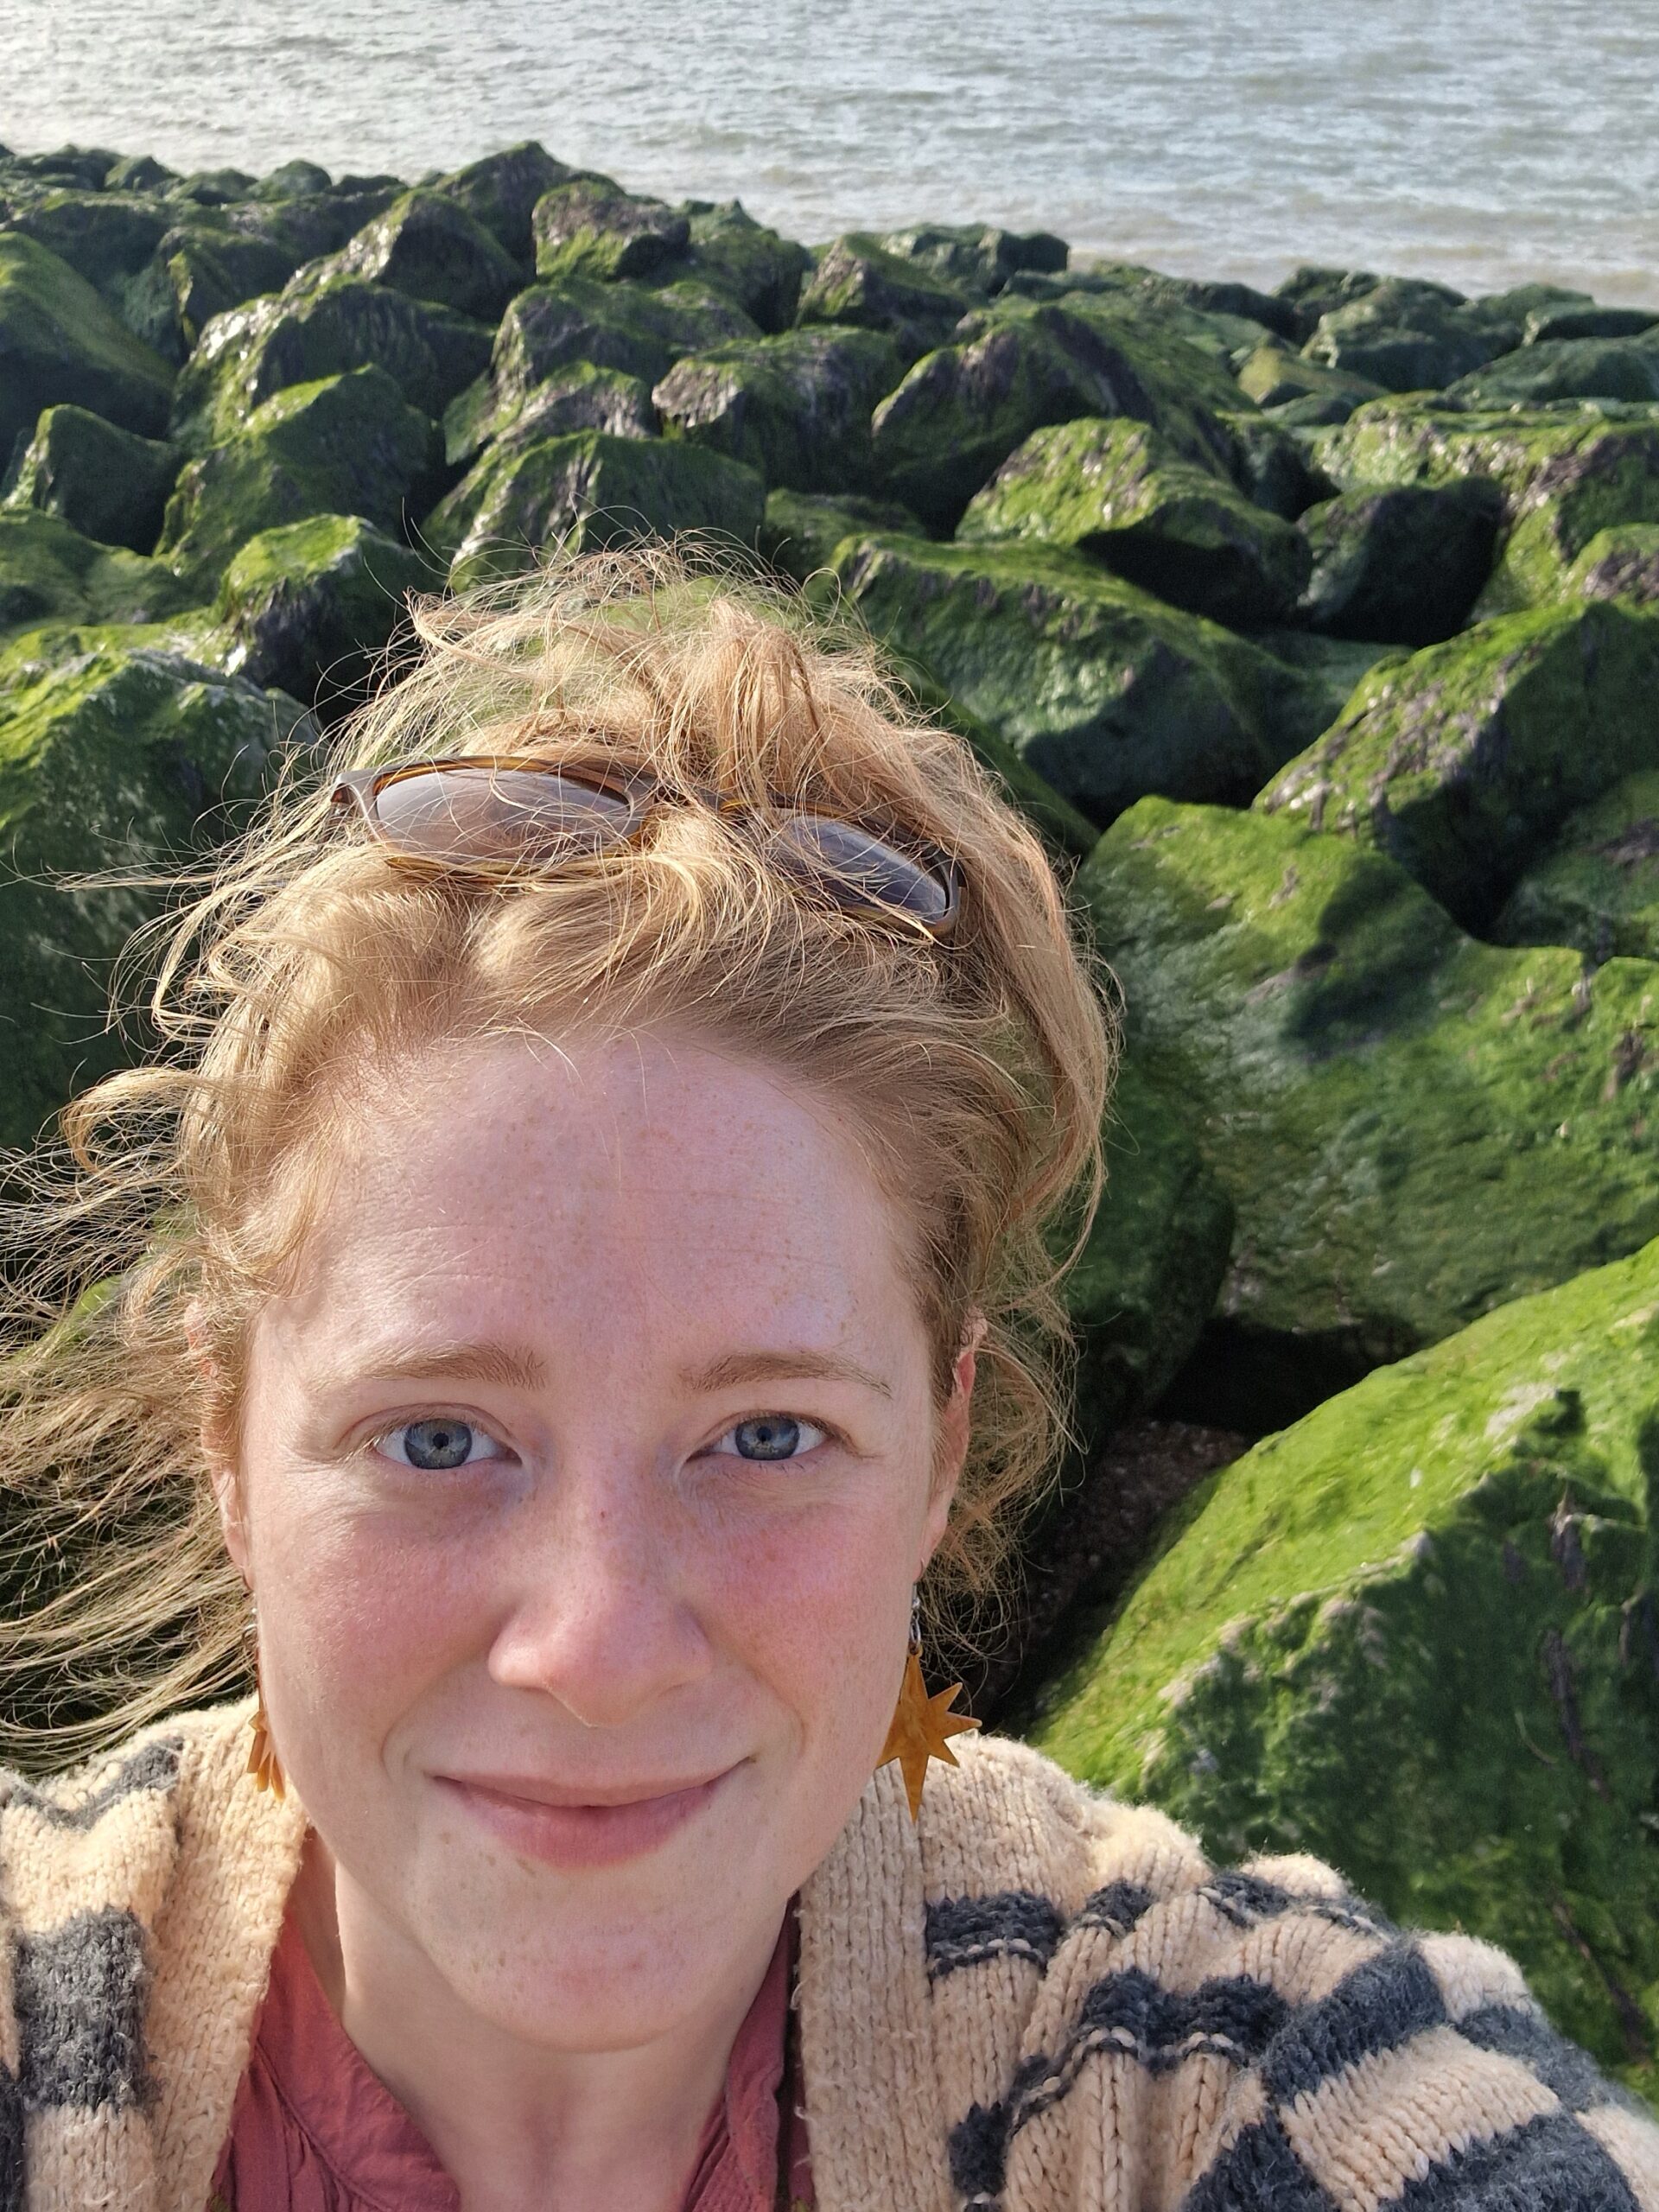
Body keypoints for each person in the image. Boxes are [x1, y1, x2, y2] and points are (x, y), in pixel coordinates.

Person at [0, 547, 1654, 2212]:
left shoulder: (1158, 2052)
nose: (599, 1652)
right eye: (439, 1437)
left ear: (941, 1453)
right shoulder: (41, 1993)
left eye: (766, 1436)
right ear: (229, 1443)